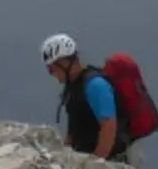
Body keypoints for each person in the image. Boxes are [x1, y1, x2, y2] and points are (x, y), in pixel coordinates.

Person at [41, 33, 129, 162]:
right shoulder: (74, 86)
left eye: (51, 69)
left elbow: (109, 126)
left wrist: (96, 163)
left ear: (64, 63)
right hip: (87, 156)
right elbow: (75, 125)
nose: (51, 74)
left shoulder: (95, 85)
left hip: (112, 161)